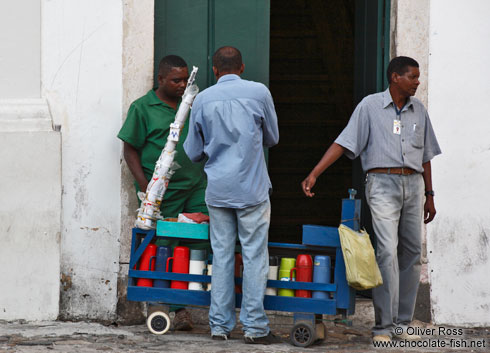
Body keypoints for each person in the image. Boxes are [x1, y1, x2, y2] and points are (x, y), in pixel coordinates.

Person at [301, 56, 441, 343]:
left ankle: (403, 324)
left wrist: (430, 194)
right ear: (394, 78)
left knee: (413, 254)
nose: (417, 82)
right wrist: (315, 173)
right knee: (387, 252)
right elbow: (344, 142)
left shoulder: (419, 111)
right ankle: (383, 327)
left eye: (418, 76)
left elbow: (426, 156)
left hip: (414, 186)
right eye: (412, 77)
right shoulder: (369, 106)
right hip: (382, 183)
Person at [184, 46, 280, 345]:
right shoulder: (259, 93)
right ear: (241, 67)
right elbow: (272, 138)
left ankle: (219, 327)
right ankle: (254, 328)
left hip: (219, 191)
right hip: (252, 188)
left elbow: (193, 152)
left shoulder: (202, 99)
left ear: (214, 70)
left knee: (222, 256)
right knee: (254, 256)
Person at [118, 55, 208, 331]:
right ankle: (173, 308)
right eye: (175, 80)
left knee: (199, 238)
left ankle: (195, 299)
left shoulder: (193, 104)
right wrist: (146, 187)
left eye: (185, 80)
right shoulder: (143, 107)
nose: (182, 85)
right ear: (160, 80)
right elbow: (129, 148)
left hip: (196, 184)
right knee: (165, 244)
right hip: (161, 193)